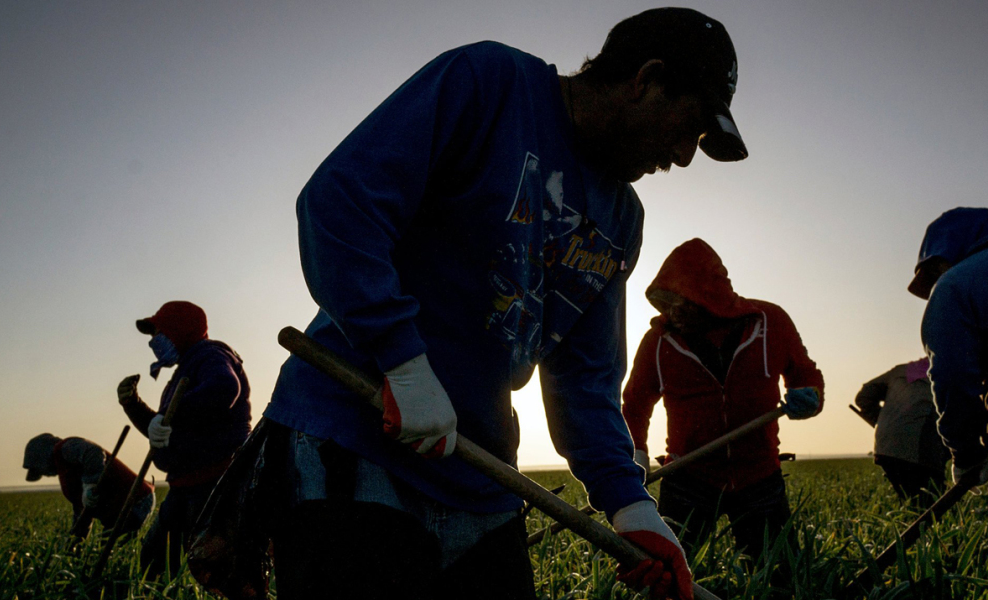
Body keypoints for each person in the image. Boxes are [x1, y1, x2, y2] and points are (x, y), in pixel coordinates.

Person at [261, 7, 748, 600]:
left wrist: (632, 506)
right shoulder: (490, 84)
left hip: (482, 476)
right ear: (646, 79)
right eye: (688, 127)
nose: (682, 156)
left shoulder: (622, 217)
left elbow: (585, 382)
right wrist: (403, 363)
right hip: (356, 444)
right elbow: (341, 206)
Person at [621, 238, 823, 573]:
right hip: (688, 477)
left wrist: (810, 394)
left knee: (779, 575)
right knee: (666, 574)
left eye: (680, 302)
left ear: (708, 297)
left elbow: (804, 372)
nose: (671, 313)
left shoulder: (770, 322)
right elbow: (635, 404)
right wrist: (636, 456)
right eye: (665, 303)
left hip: (759, 477)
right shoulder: (659, 342)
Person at [909, 207, 988, 558]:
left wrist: (966, 452)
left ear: (946, 254)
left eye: (934, 272)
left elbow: (952, 377)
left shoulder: (959, 282)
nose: (934, 284)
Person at [117, 300, 251, 578]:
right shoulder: (185, 370)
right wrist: (134, 405)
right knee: (154, 566)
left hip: (214, 485)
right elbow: (165, 430)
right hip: (186, 485)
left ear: (178, 330)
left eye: (158, 332)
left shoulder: (210, 355)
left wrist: (168, 417)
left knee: (217, 572)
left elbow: (225, 387)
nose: (154, 341)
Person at [853, 358, 949, 506]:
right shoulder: (951, 374)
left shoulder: (900, 371)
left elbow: (863, 397)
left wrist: (884, 422)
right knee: (932, 506)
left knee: (912, 500)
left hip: (886, 449)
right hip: (922, 450)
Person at [22, 432, 155, 538]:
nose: (44, 474)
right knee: (103, 549)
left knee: (111, 548)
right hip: (119, 510)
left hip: (135, 502)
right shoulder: (67, 470)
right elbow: (82, 510)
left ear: (42, 458)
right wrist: (75, 542)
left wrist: (90, 484)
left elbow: (93, 452)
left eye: (39, 469)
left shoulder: (65, 448)